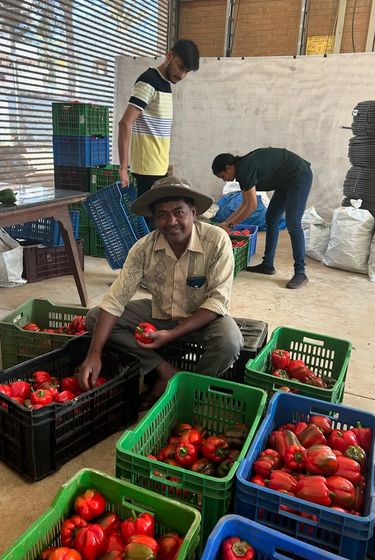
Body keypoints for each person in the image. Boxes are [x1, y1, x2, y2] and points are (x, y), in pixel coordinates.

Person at [77, 176, 244, 410]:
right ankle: (167, 373)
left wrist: (173, 334)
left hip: (203, 318)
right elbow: (115, 300)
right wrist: (94, 353)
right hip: (161, 314)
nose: (171, 221)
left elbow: (217, 302)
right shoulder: (143, 248)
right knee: (95, 318)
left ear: (193, 213)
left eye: (179, 212)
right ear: (154, 218)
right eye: (162, 215)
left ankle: (192, 387)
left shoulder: (216, 241)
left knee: (230, 341)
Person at [212, 148, 313, 289]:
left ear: (229, 167)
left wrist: (229, 225)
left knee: (293, 223)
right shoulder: (242, 171)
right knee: (271, 217)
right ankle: (268, 264)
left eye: (223, 176)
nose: (224, 180)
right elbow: (245, 203)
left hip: (299, 175)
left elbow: (252, 206)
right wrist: (227, 223)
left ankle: (300, 272)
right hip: (285, 181)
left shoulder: (245, 169)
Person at [118, 40, 200, 196]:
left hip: (158, 167)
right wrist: (123, 168)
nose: (182, 75)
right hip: (146, 169)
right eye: (180, 67)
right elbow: (125, 123)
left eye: (186, 71)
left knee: (159, 218)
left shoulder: (165, 84)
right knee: (149, 219)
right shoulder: (149, 81)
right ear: (169, 56)